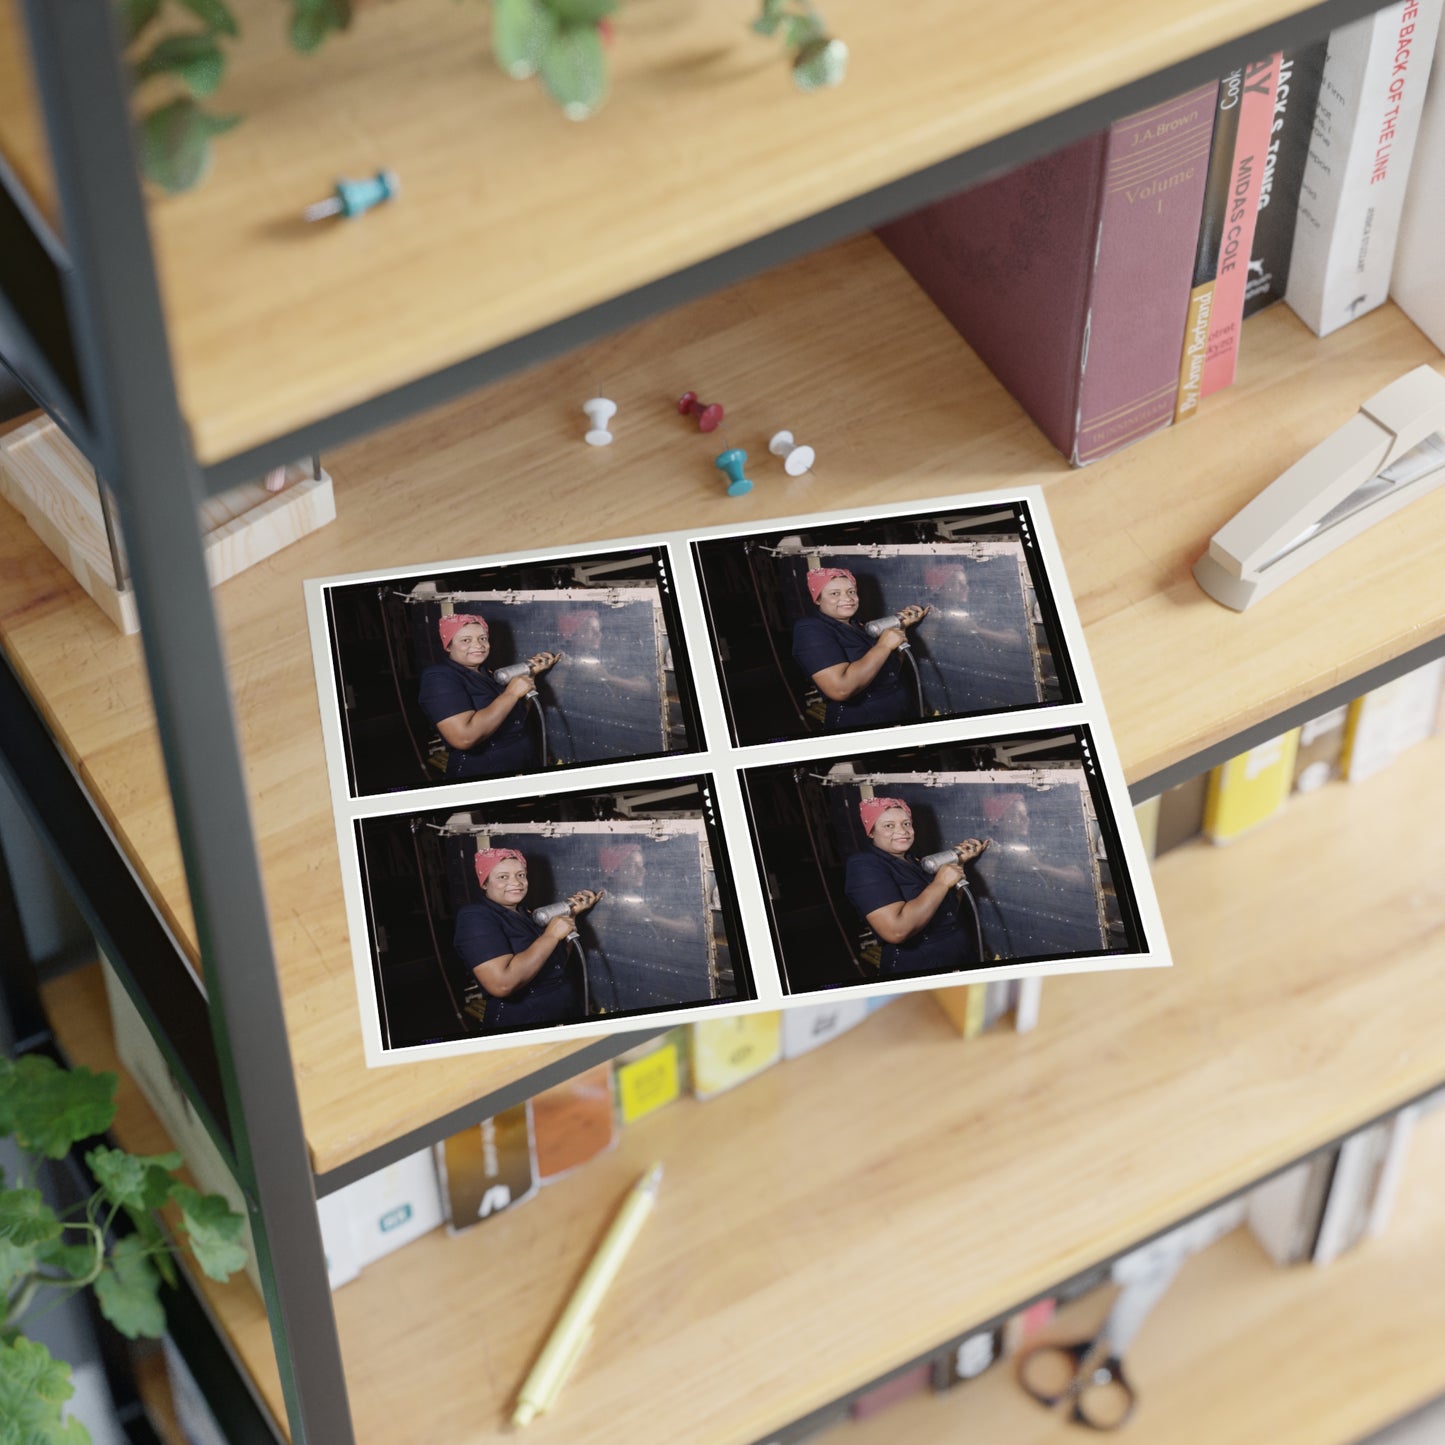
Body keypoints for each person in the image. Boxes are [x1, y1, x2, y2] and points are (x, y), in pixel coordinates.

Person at [454, 848, 602, 1031]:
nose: (516, 882)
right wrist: (551, 935)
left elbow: (557, 962)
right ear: (484, 883)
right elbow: (502, 984)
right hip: (523, 1020)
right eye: (503, 877)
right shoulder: (474, 917)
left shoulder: (526, 913)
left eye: (521, 875)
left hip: (565, 1010)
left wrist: (569, 916)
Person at [843, 797, 987, 977]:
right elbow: (896, 930)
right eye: (889, 826)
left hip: (960, 956)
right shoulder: (864, 865)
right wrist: (941, 882)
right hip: (919, 965)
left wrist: (958, 864)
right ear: (871, 832)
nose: (902, 831)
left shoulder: (915, 860)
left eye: (906, 823)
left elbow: (948, 910)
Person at [418, 614, 559, 778]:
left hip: (523, 764)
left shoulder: (488, 673)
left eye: (483, 638)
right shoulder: (438, 677)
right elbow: (464, 738)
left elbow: (514, 719)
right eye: (466, 640)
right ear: (448, 646)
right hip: (483, 773)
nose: (478, 645)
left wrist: (530, 676)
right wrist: (511, 693)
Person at [790, 568, 928, 731]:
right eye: (835, 593)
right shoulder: (810, 629)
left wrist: (901, 627)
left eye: (851, 591)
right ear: (818, 599)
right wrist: (883, 645)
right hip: (860, 724)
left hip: (899, 715)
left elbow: (890, 669)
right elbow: (840, 689)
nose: (847, 598)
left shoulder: (859, 625)